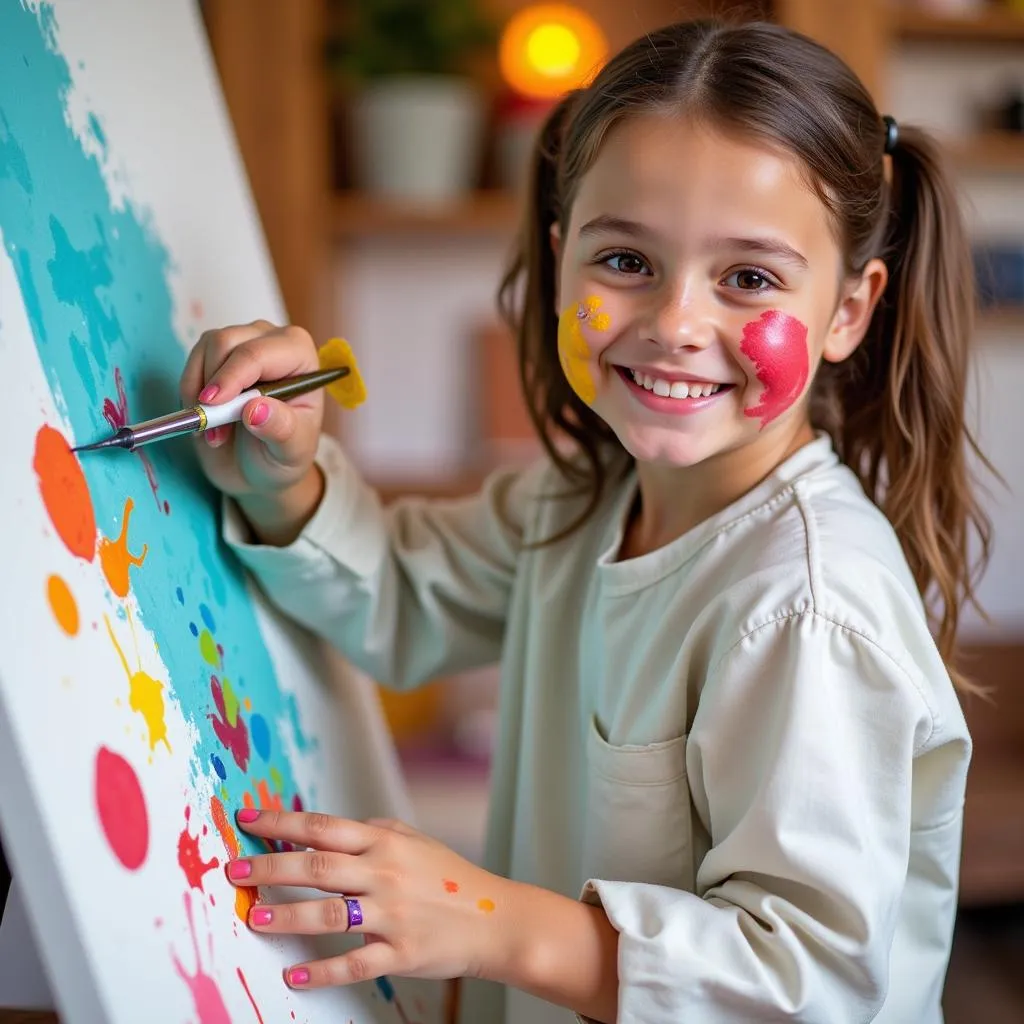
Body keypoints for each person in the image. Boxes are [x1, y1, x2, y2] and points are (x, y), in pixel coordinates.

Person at [183, 17, 996, 1024]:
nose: (675, 324)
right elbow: (396, 590)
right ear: (563, 258)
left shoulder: (806, 605)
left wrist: (482, 917)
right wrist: (281, 472)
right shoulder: (576, 508)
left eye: (747, 278)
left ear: (847, 311)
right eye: (625, 261)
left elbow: (808, 988)